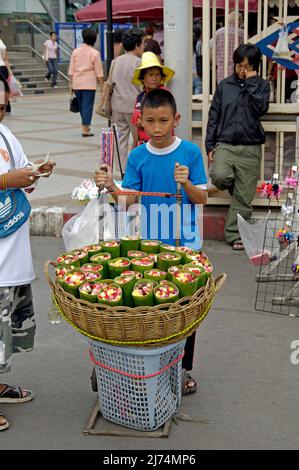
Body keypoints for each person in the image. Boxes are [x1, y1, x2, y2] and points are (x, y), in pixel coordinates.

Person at [94, 88, 208, 394]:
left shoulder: (190, 153)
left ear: (176, 120)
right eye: (150, 121)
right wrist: (110, 187)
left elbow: (202, 197)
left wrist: (186, 185)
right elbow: (127, 202)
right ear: (140, 121)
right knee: (154, 308)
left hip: (187, 243)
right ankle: (154, 366)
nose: (157, 128)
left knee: (185, 311)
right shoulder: (138, 155)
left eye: (163, 121)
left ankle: (183, 370)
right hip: (150, 244)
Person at [0, 74, 56, 431]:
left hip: (12, 257)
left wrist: (36, 172)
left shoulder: (6, 135)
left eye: (1, 104)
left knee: (3, 335)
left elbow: (22, 172)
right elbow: (8, 178)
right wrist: (8, 180)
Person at [206, 44, 270, 250]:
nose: (243, 71)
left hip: (250, 147)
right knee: (220, 175)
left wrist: (251, 82)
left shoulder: (261, 85)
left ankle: (234, 235)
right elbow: (214, 115)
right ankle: (239, 187)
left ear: (255, 67)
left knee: (244, 197)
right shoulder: (224, 86)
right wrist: (209, 145)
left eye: (248, 67)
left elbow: (261, 108)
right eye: (240, 66)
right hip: (225, 144)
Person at [109, 28, 144, 175]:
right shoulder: (139, 62)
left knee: (120, 140)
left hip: (117, 106)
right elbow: (143, 86)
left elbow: (110, 83)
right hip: (135, 107)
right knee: (138, 140)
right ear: (136, 45)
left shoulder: (115, 61)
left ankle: (123, 171)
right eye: (142, 44)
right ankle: (134, 169)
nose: (143, 47)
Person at [131, 51, 175, 147]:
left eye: (157, 75)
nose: (155, 78)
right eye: (151, 75)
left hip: (163, 144)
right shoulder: (140, 97)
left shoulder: (165, 95)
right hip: (144, 145)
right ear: (142, 78)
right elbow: (135, 121)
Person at [68, 28, 104, 137]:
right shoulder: (95, 53)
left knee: (82, 105)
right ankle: (85, 129)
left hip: (77, 82)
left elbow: (71, 70)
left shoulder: (76, 51)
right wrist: (102, 86)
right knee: (87, 106)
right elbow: (99, 72)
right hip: (89, 84)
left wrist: (71, 84)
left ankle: (86, 126)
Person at [211, 11, 244, 84]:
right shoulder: (242, 33)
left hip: (221, 70)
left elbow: (210, 48)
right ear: (239, 20)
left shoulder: (218, 33)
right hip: (237, 70)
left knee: (223, 92)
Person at [0, 30, 12, 114]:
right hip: (2, 68)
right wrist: (9, 71)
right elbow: (4, 58)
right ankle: (6, 108)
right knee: (2, 89)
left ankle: (5, 108)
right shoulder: (1, 43)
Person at [193, 24, 202, 95]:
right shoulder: (199, 43)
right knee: (198, 97)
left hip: (189, 74)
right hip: (197, 73)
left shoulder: (187, 43)